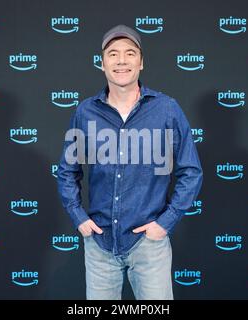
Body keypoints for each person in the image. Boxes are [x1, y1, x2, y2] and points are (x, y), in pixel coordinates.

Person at [57, 24, 203, 300]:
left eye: (129, 53)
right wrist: (78, 217)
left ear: (141, 61)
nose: (121, 60)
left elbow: (191, 171)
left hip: (149, 244)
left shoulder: (166, 109)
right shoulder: (86, 112)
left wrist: (164, 223)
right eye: (113, 54)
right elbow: (67, 170)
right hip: (99, 243)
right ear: (102, 63)